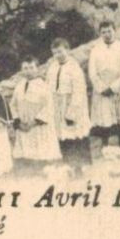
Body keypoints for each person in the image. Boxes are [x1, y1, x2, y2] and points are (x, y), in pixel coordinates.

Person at [87, 21, 120, 149]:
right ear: (100, 33)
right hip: (102, 87)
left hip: (119, 86)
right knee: (104, 113)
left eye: (109, 31)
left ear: (115, 31)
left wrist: (115, 87)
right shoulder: (96, 50)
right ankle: (104, 141)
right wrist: (101, 88)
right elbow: (92, 71)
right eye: (104, 32)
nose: (107, 34)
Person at [46, 38, 92, 171]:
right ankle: (67, 166)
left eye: (60, 52)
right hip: (57, 106)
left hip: (71, 106)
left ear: (68, 50)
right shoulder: (52, 67)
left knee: (75, 137)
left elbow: (79, 92)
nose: (58, 55)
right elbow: (49, 87)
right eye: (54, 53)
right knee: (62, 137)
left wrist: (71, 113)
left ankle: (78, 167)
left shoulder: (74, 68)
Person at [10, 56, 60, 170]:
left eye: (31, 67)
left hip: (38, 125)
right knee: (25, 152)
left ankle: (43, 171)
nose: (28, 71)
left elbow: (49, 106)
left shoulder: (44, 86)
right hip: (23, 124)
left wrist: (34, 122)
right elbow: (13, 105)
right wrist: (18, 122)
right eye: (25, 68)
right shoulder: (19, 86)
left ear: (37, 69)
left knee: (41, 152)